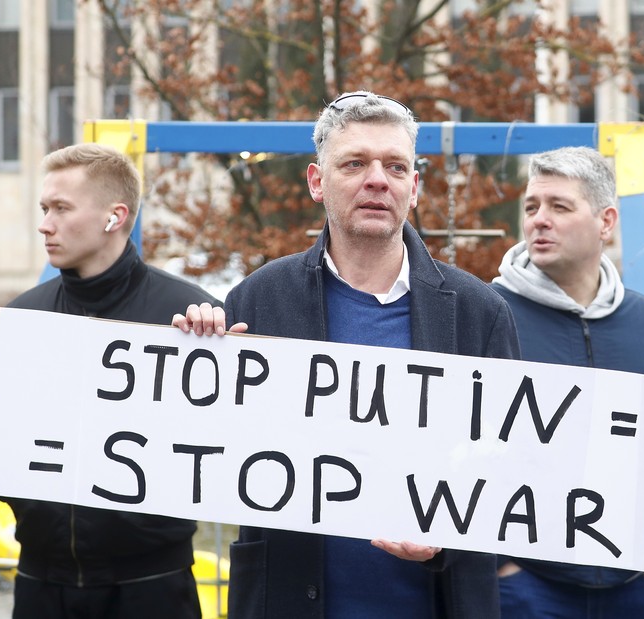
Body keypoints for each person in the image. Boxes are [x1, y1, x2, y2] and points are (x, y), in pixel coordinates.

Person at [173, 91, 520, 618]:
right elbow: (202, 452)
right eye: (355, 163)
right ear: (317, 181)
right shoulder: (256, 300)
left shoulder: (480, 313)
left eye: (395, 166)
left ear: (414, 186)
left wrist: (447, 536)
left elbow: (510, 468)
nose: (377, 179)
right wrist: (195, 358)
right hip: (288, 600)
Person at [0, 143, 220, 619]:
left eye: (61, 209)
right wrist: (26, 490)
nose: (45, 224)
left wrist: (219, 344)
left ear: (115, 216)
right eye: (44, 209)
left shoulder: (186, 318)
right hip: (40, 584)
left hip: (152, 588)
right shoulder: (27, 315)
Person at [490, 146, 644, 618]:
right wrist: (503, 566)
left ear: (606, 222)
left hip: (633, 588)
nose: (539, 220)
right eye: (531, 207)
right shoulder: (487, 314)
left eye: (559, 206)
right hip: (526, 589)